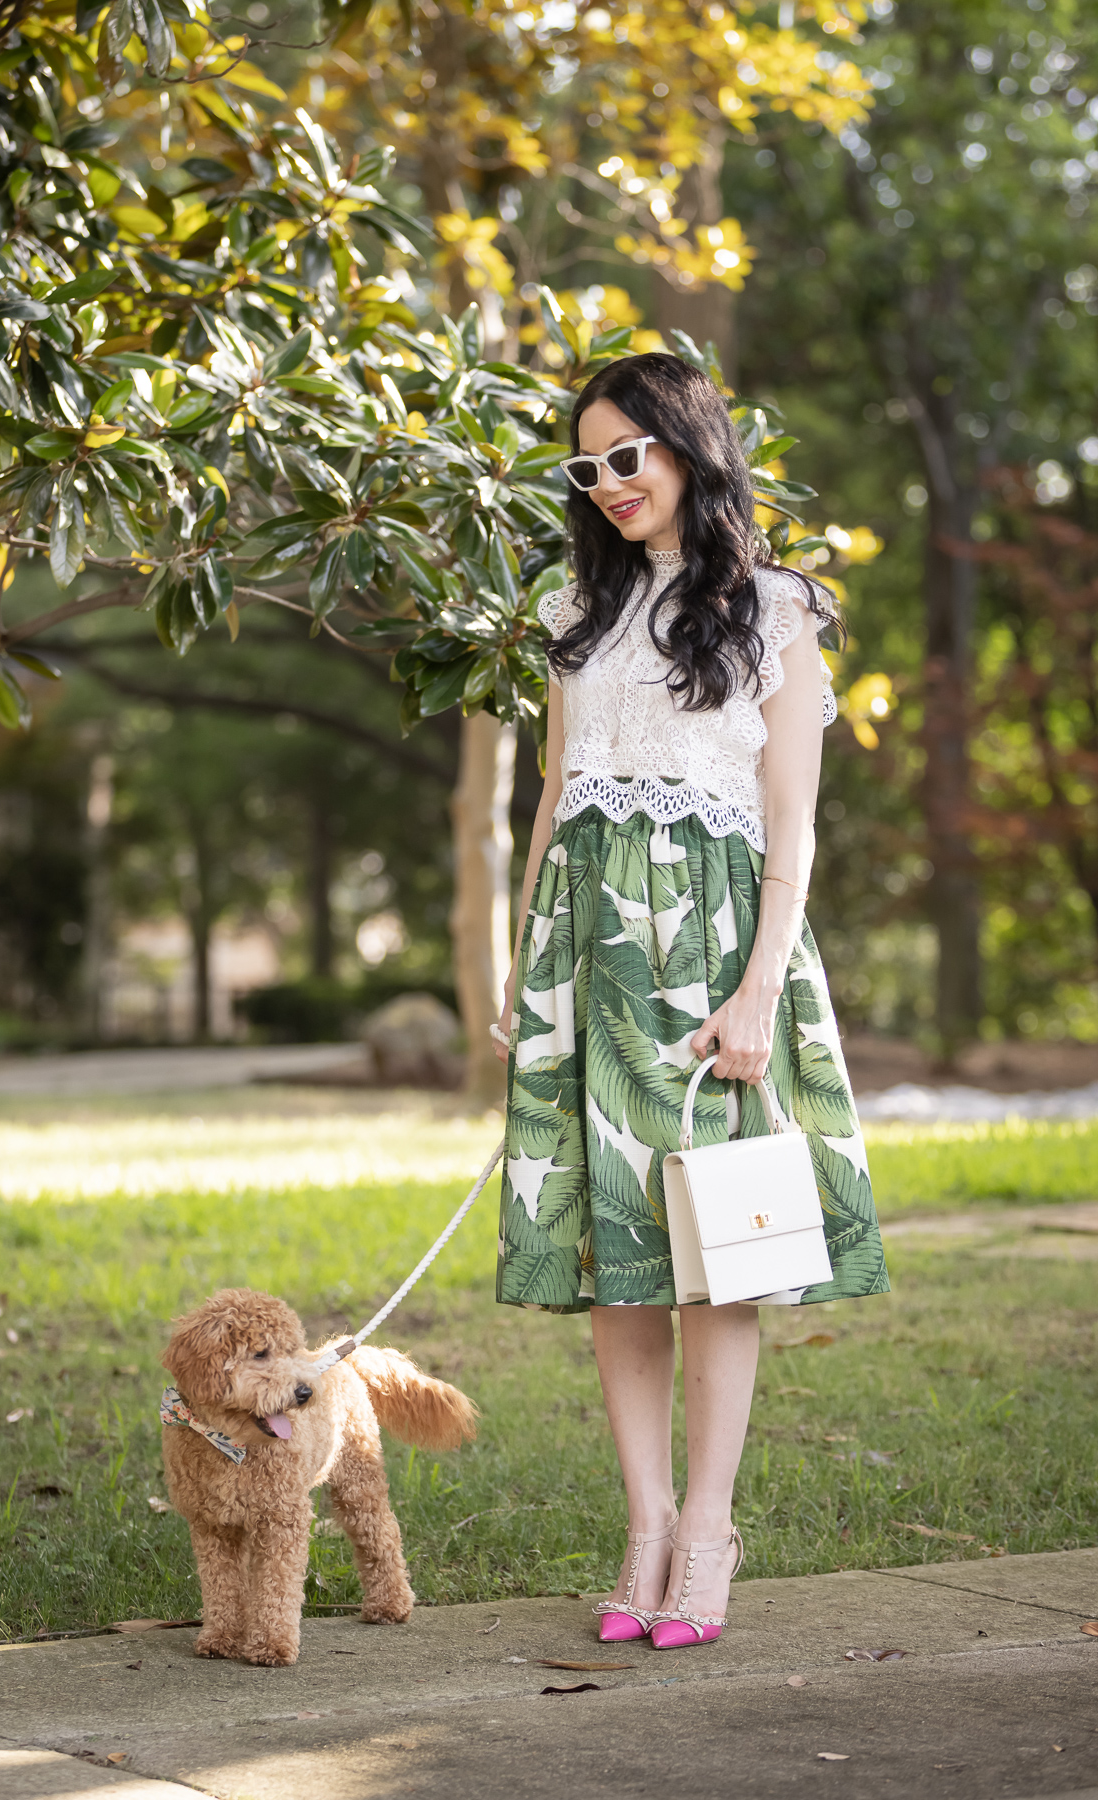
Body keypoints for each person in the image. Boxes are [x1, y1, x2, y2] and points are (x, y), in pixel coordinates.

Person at [491, 353, 888, 1652]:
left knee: (721, 1252)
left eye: (630, 456)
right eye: (586, 466)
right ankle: (645, 1525)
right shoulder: (573, 607)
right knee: (620, 1255)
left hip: (716, 944)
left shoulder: (774, 611)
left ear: (686, 447)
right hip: (586, 944)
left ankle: (710, 1529)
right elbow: (553, 793)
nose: (609, 484)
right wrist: (523, 956)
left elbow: (792, 821)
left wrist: (759, 985)